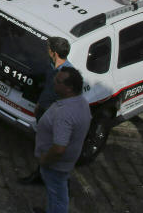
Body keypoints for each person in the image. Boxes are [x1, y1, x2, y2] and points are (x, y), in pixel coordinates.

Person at [33, 67, 91, 213]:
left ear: (69, 88)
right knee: (56, 193)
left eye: (58, 81)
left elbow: (59, 148)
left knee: (58, 196)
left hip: (55, 165)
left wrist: (45, 159)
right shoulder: (81, 102)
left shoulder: (65, 113)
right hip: (64, 163)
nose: (54, 82)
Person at [19, 37, 72, 185]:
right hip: (44, 111)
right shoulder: (52, 67)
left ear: (54, 52)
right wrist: (39, 105)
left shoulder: (67, 75)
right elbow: (48, 89)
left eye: (48, 48)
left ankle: (49, 177)